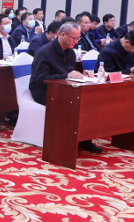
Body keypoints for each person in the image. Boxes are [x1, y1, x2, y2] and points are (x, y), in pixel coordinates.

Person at [29, 22, 102, 153]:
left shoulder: (70, 53)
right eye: (74, 38)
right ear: (63, 34)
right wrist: (66, 75)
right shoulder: (44, 52)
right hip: (44, 91)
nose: (76, 41)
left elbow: (69, 73)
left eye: (78, 38)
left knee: (89, 101)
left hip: (65, 89)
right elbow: (41, 79)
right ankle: (64, 141)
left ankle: (84, 139)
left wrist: (81, 74)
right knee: (73, 104)